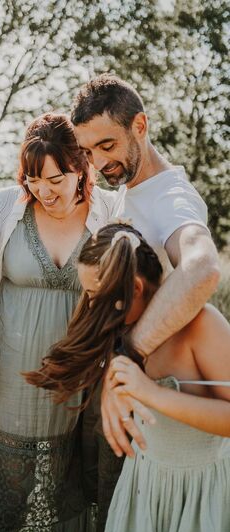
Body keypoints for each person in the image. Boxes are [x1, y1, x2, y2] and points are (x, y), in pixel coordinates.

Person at [0, 113, 117, 532]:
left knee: (65, 493)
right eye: (33, 179)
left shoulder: (110, 211)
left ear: (81, 167)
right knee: (7, 496)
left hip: (73, 383)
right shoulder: (0, 206)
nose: (43, 191)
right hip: (7, 379)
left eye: (56, 179)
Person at [28, 222, 230, 532]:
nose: (90, 305)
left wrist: (150, 392)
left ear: (135, 288)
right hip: (144, 487)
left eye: (95, 295)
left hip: (199, 493)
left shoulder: (201, 324)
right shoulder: (122, 332)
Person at [70, 73, 220, 458]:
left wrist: (128, 353)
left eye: (107, 145)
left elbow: (202, 268)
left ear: (140, 126)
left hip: (170, 411)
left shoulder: (171, 198)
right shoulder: (128, 192)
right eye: (88, 152)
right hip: (133, 399)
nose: (98, 162)